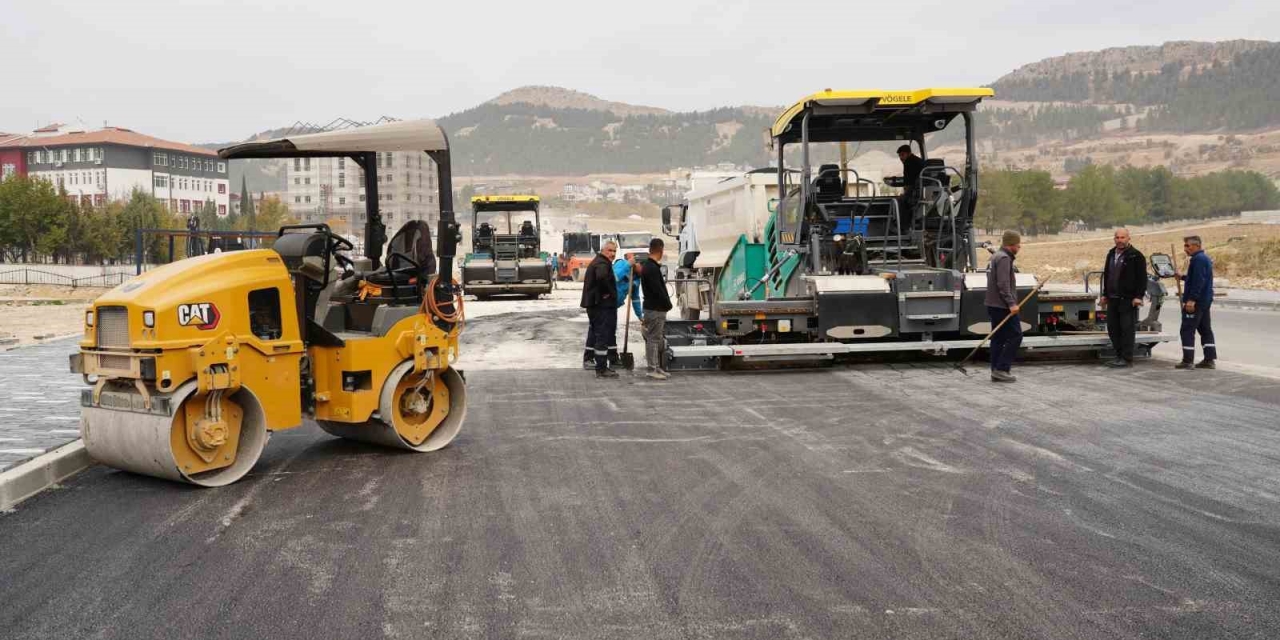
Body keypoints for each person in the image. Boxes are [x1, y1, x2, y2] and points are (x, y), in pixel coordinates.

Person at [1100, 228, 1146, 368]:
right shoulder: (1111, 254)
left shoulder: (1136, 256)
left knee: (1127, 330)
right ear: (1114, 239)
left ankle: (1127, 359)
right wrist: (1105, 294)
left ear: (1128, 238)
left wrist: (1138, 296)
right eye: (1117, 237)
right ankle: (1119, 356)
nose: (1119, 240)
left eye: (1122, 237)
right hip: (1112, 298)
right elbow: (1107, 275)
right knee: (1113, 329)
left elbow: (1142, 278)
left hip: (1128, 299)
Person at [985, 231, 1023, 383]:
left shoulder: (996, 256)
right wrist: (1011, 303)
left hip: (993, 304)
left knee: (998, 338)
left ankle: (996, 370)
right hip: (1002, 306)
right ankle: (1002, 369)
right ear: (1011, 244)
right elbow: (1003, 284)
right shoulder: (1004, 258)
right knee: (1016, 335)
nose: (1019, 247)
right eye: (1018, 244)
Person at [1176, 235, 1217, 370]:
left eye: (1187, 245)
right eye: (1185, 245)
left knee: (1187, 330)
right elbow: (1195, 278)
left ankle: (1187, 361)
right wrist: (1182, 277)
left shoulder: (1198, 259)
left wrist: (1192, 300)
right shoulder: (1203, 258)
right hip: (1205, 301)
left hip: (1197, 302)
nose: (1185, 248)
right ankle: (1209, 359)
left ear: (1196, 246)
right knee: (1205, 330)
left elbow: (1199, 281)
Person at [580, 241, 619, 378]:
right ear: (603, 250)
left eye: (614, 251)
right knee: (602, 336)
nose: (612, 254)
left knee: (598, 334)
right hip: (600, 307)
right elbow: (602, 277)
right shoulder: (602, 263)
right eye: (610, 250)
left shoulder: (600, 261)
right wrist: (608, 293)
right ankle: (601, 369)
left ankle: (601, 366)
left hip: (596, 305)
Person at [640, 238, 674, 380]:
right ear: (661, 250)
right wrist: (668, 304)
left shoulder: (648, 266)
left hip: (653, 308)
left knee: (656, 339)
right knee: (653, 339)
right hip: (655, 309)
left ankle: (656, 366)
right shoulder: (652, 268)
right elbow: (658, 290)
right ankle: (652, 369)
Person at [614, 253, 643, 320]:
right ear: (637, 264)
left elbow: (635, 299)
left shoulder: (637, 279)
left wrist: (640, 315)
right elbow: (614, 278)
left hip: (615, 305)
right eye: (642, 268)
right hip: (604, 302)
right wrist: (627, 265)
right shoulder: (621, 263)